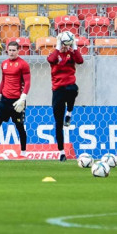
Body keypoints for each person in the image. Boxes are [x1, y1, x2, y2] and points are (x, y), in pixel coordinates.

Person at [47, 32, 84, 162]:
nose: (65, 46)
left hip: (69, 86)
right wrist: (58, 47)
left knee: (73, 89)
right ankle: (61, 152)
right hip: (57, 90)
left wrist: (74, 46)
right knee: (58, 123)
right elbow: (51, 60)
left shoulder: (71, 54)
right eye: (63, 44)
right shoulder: (55, 55)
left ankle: (69, 112)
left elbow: (80, 60)